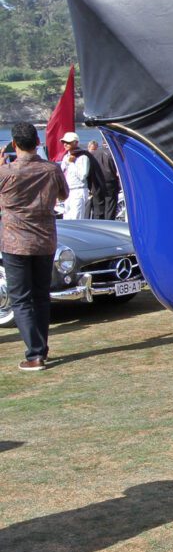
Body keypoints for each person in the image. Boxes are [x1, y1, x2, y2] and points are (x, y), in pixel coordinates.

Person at [0, 122, 68, 371]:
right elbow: (64, 196)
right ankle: (41, 348)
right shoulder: (51, 169)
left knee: (20, 299)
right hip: (44, 239)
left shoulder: (6, 172)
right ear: (37, 142)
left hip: (15, 241)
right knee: (41, 296)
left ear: (13, 144)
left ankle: (35, 354)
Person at [58, 131, 90, 219]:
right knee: (66, 217)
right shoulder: (65, 157)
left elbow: (83, 176)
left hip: (78, 191)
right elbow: (62, 172)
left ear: (76, 143)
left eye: (68, 142)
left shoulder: (83, 157)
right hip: (67, 191)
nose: (65, 144)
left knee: (76, 218)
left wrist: (72, 164)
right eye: (64, 142)